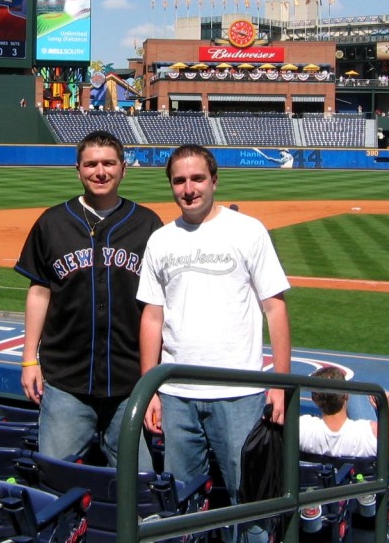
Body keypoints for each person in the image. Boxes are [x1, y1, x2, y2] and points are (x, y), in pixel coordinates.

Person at [138, 144, 291, 539]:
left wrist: (280, 381)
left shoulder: (248, 230)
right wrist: (150, 388)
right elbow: (152, 317)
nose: (189, 189)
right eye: (179, 180)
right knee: (180, 505)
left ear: (214, 180)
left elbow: (275, 308)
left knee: (251, 505)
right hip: (176, 394)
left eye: (197, 178)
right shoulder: (161, 240)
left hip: (239, 394)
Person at [16, 130, 162, 468]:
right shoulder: (52, 222)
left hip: (131, 380)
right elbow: (39, 290)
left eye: (109, 163)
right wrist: (28, 359)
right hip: (67, 379)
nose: (100, 172)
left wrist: (154, 377)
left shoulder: (148, 224)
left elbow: (159, 306)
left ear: (123, 168)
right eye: (91, 164)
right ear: (78, 169)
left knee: (138, 484)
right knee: (56, 478)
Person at [299, 366, 389, 466]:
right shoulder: (370, 432)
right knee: (359, 387)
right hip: (363, 483)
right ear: (347, 395)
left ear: (314, 400)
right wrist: (388, 410)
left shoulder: (301, 427)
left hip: (316, 483)